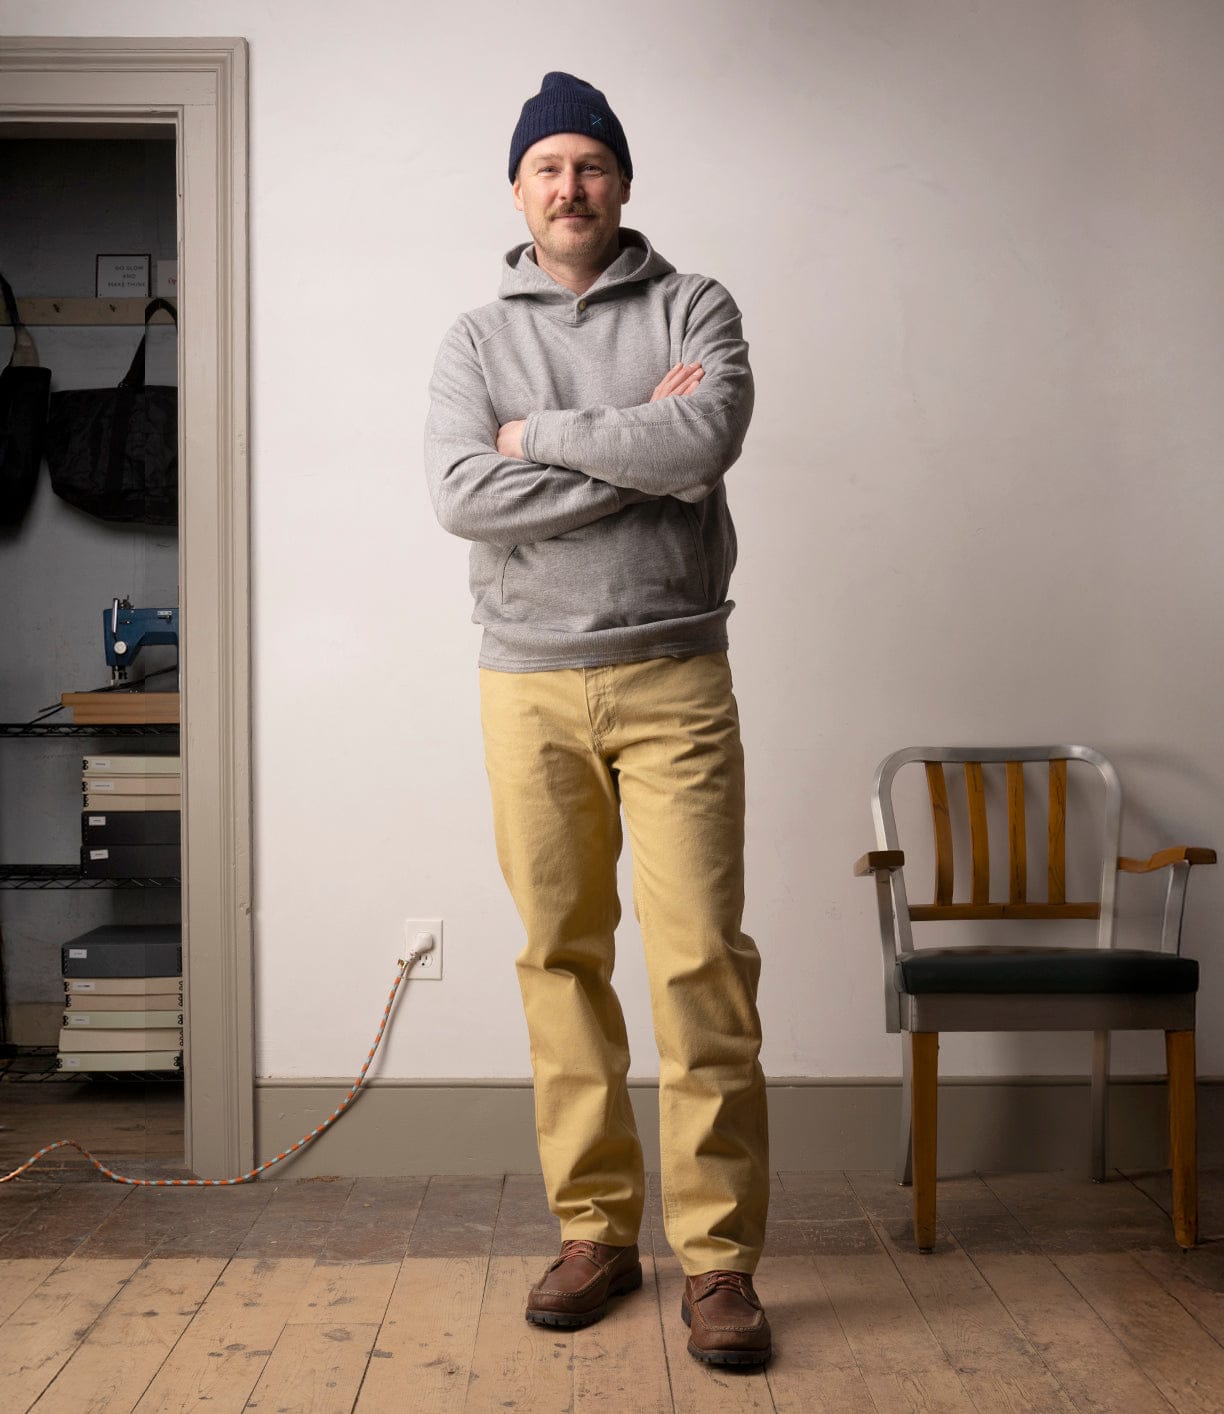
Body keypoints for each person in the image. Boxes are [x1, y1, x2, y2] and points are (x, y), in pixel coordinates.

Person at [424, 71, 770, 1367]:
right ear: (519, 190)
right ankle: (597, 1231)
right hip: (527, 685)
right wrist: (629, 443)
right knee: (560, 958)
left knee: (700, 965)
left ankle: (722, 1261)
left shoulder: (697, 304)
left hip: (677, 671)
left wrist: (542, 439)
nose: (571, 187)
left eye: (592, 165)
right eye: (548, 167)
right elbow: (465, 495)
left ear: (624, 181)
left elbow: (703, 442)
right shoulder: (473, 337)